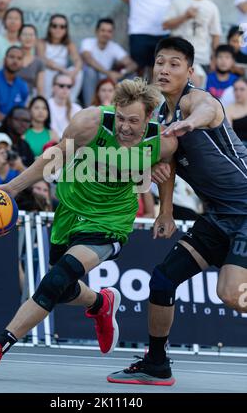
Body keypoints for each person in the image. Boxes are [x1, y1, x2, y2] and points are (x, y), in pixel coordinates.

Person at [0, 77, 177, 379]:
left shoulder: (163, 139)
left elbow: (169, 167)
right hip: (69, 211)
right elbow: (53, 158)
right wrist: (11, 188)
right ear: (113, 110)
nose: (125, 127)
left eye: (133, 121)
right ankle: (100, 302)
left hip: (110, 221)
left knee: (55, 280)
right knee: (62, 290)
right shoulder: (90, 122)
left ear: (149, 118)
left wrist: (165, 211)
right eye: (120, 118)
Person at [107, 37, 247, 386]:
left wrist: (189, 123)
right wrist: (165, 211)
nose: (165, 69)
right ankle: (156, 364)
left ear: (189, 70)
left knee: (230, 293)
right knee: (162, 280)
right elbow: (167, 164)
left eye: (174, 63)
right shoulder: (159, 117)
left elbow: (208, 111)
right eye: (160, 62)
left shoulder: (195, 101)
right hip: (216, 217)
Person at [163, 0, 221, 72]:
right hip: (178, 57)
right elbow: (165, 25)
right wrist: (185, 16)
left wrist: (214, 58)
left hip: (202, 58)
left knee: (200, 88)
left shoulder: (211, 6)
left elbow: (215, 35)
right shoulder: (178, 1)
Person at [81, 18, 137, 107]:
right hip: (92, 80)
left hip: (107, 80)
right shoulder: (88, 42)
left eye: (109, 31)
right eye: (103, 30)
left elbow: (132, 64)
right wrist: (108, 73)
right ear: (96, 31)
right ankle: (89, 106)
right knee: (90, 71)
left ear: (112, 34)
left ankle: (124, 107)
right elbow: (88, 59)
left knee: (132, 75)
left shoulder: (114, 47)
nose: (106, 34)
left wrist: (122, 73)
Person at [37, 14, 83, 102]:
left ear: (66, 29)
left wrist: (73, 73)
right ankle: (46, 101)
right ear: (49, 28)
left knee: (79, 72)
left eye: (62, 27)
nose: (58, 29)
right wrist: (63, 70)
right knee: (46, 71)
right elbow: (42, 59)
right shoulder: (41, 42)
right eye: (55, 26)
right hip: (48, 72)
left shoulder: (69, 44)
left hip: (63, 75)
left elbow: (78, 61)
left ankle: (70, 101)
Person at [0, 7, 23, 71]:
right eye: (10, 18)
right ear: (4, 21)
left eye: (16, 19)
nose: (13, 21)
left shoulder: (24, 43)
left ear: (21, 22)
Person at [48, 73, 82, 139]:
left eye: (69, 86)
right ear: (53, 87)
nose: (65, 89)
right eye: (61, 86)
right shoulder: (46, 105)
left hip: (70, 144)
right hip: (51, 142)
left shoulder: (77, 108)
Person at [18, 24, 45, 97]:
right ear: (19, 37)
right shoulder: (12, 57)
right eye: (25, 34)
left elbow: (40, 89)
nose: (28, 38)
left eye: (31, 35)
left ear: (36, 39)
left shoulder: (39, 62)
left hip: (29, 99)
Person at [225, 78, 247, 147]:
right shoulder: (228, 110)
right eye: (235, 89)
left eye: (242, 89)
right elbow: (229, 135)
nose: (238, 93)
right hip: (240, 146)